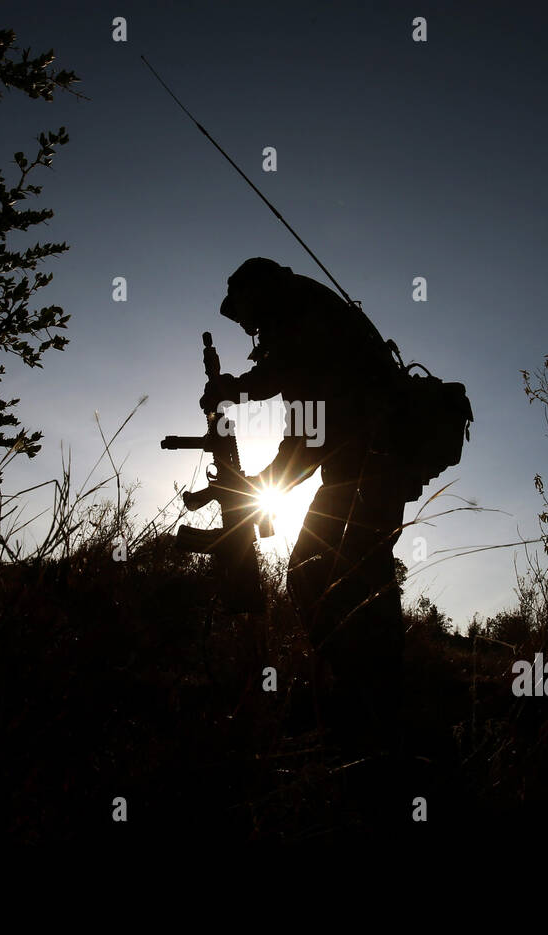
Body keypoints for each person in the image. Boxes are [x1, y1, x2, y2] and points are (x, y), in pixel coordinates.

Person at [201, 258, 408, 753]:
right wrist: (262, 483)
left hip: (376, 463)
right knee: (347, 575)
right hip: (359, 465)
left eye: (248, 313)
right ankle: (371, 702)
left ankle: (373, 711)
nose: (250, 327)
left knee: (334, 573)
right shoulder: (308, 325)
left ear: (263, 293)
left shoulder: (305, 321)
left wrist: (235, 389)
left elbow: (296, 414)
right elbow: (306, 436)